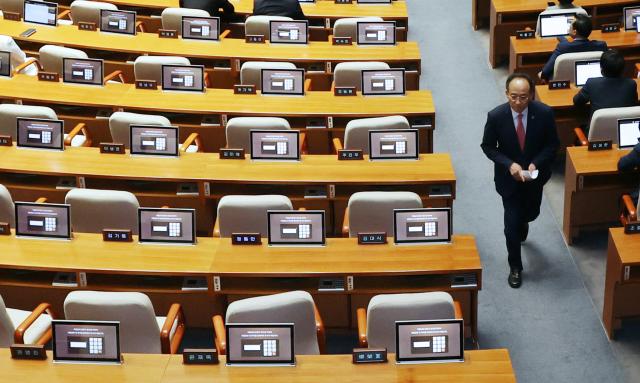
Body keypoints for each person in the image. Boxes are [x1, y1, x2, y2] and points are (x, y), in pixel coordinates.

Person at [481, 73, 560, 288]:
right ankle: (515, 267)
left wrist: (536, 163)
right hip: (509, 181)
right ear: (506, 94)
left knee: (531, 214)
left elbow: (552, 145)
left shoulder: (544, 113)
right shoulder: (496, 116)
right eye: (513, 97)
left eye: (523, 97)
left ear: (531, 95)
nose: (518, 102)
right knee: (511, 227)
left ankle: (525, 220)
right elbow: (487, 147)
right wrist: (509, 164)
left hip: (535, 178)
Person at [573, 49, 638, 127]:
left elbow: (577, 101)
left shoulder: (592, 83)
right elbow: (634, 104)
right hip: (623, 130)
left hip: (597, 135)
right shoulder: (631, 84)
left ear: (601, 68)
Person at [539, 14, 607, 81]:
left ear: (574, 32)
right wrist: (563, 40)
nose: (569, 26)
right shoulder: (601, 46)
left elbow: (545, 73)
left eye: (570, 24)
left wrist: (541, 75)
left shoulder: (563, 47)